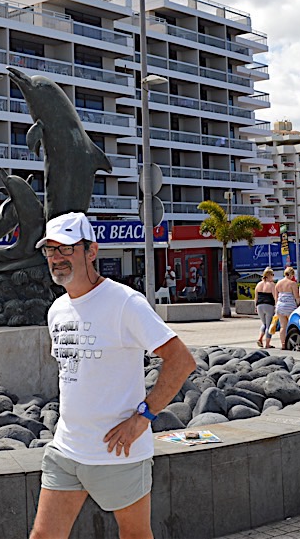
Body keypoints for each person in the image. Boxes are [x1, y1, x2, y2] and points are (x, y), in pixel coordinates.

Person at [30, 212, 196, 539]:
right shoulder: (57, 310)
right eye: (50, 250)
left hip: (117, 453)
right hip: (66, 449)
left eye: (66, 248)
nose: (57, 258)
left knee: (134, 536)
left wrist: (144, 417)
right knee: (43, 536)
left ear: (91, 251)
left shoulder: (124, 302)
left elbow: (181, 360)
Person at [271, 266, 300, 350]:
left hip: (280, 306)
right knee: (292, 325)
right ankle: (290, 342)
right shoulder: (292, 284)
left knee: (283, 326)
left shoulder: (278, 283)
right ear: (291, 274)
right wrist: (298, 305)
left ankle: (283, 344)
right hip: (290, 306)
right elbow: (297, 297)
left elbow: (276, 297)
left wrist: (276, 307)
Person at [254, 267, 277, 348]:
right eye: (272, 275)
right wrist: (276, 306)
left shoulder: (258, 284)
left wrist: (255, 307)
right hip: (269, 305)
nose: (273, 276)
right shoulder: (271, 285)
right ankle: (267, 344)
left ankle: (260, 339)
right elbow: (275, 297)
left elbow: (256, 297)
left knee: (264, 323)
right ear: (269, 275)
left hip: (259, 306)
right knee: (269, 325)